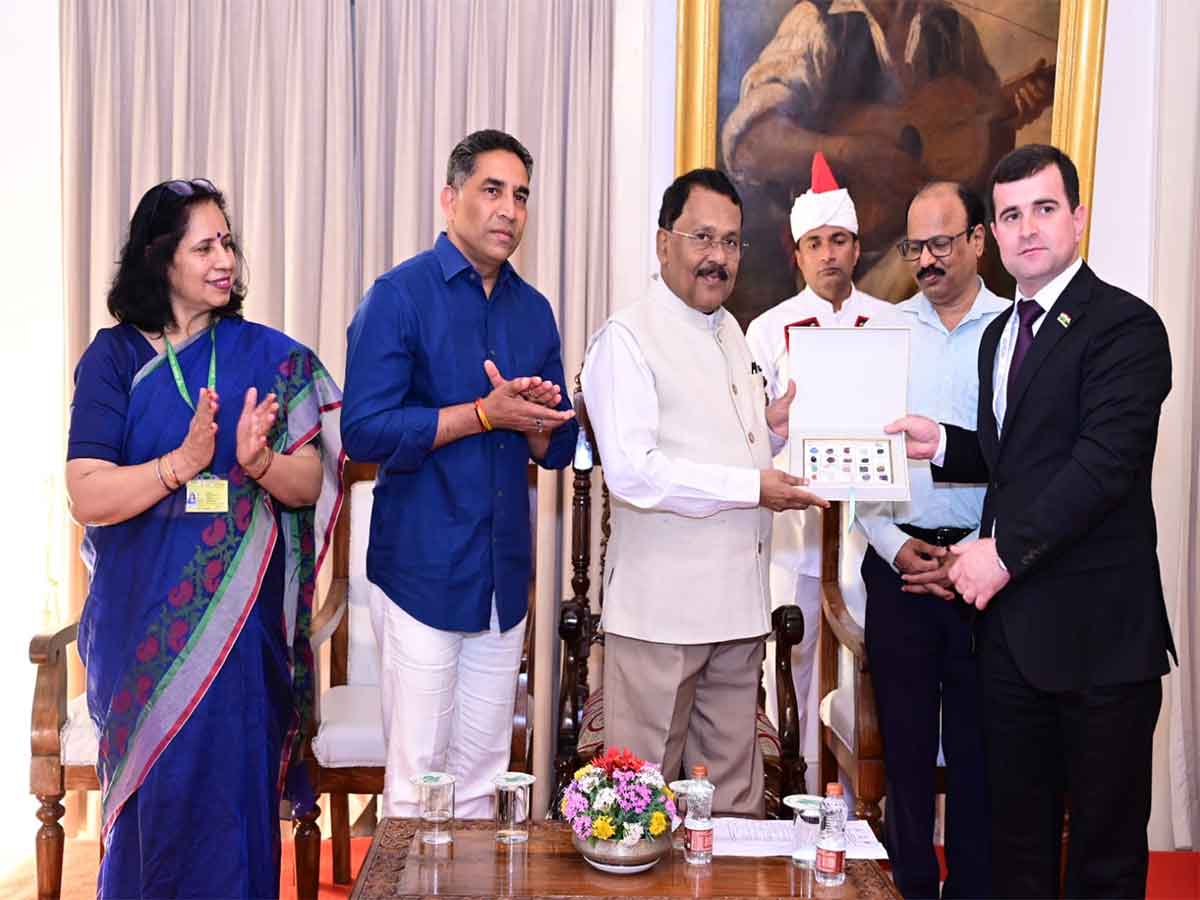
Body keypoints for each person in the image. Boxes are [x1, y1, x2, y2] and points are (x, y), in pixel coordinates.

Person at [889, 144, 1175, 898]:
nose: (1028, 228)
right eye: (1011, 215)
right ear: (994, 234)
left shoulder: (1126, 326)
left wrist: (1001, 553)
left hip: (1100, 643)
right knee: (1015, 854)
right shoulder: (1000, 335)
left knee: (1103, 862)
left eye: (1044, 209)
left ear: (1078, 218)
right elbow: (1017, 456)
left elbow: (1101, 466)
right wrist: (943, 444)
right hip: (1012, 644)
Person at [66, 179, 343, 897]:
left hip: (238, 639)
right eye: (204, 247)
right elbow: (87, 492)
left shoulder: (267, 356)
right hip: (141, 633)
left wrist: (260, 461)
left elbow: (308, 484)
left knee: (234, 808)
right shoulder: (114, 359)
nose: (225, 260)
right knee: (153, 813)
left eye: (227, 243)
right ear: (160, 259)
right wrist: (180, 465)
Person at [342, 129, 577, 818]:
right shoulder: (399, 296)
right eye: (492, 190)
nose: (509, 210)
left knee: (481, 785)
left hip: (501, 581)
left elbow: (556, 450)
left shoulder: (533, 311)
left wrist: (535, 419)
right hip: (422, 573)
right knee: (419, 785)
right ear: (450, 199)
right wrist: (481, 414)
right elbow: (363, 432)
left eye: (521, 196)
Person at [581, 168, 828, 815]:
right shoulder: (627, 338)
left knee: (734, 808)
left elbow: (719, 445)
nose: (718, 256)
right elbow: (634, 473)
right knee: (635, 808)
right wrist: (753, 486)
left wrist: (770, 432)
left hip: (737, 612)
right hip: (659, 619)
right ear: (664, 242)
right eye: (703, 237)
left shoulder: (730, 332)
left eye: (732, 241)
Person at [854, 182, 1005, 898]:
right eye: (915, 247)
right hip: (899, 568)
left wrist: (975, 553)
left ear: (978, 240)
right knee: (906, 753)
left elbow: (1021, 462)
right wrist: (892, 544)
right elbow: (856, 458)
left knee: (979, 751)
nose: (926, 261)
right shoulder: (882, 335)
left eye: (941, 243)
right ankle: (910, 885)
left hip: (989, 574)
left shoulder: (1013, 334)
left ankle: (971, 886)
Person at [745, 151, 896, 777]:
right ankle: (792, 792)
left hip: (871, 528)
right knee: (790, 663)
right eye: (815, 243)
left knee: (866, 663)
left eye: (838, 240)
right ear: (798, 255)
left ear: (856, 248)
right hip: (793, 532)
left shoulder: (891, 323)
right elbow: (752, 433)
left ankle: (859, 800)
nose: (828, 254)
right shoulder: (764, 331)